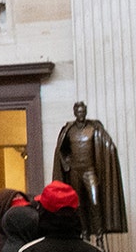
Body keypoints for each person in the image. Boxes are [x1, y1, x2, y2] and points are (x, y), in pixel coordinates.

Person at [52, 101, 127, 236]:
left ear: (85, 112)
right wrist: (66, 163)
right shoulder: (69, 130)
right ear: (75, 113)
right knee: (78, 204)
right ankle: (84, 233)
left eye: (83, 112)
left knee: (95, 202)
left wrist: (111, 150)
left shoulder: (94, 128)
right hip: (75, 171)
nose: (81, 114)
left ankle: (99, 236)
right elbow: (60, 151)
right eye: (78, 112)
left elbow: (107, 144)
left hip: (89, 171)